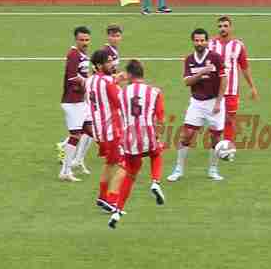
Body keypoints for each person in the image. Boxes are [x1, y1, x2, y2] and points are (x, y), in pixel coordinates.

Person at [108, 59, 168, 228]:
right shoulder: (154, 92)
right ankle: (155, 182)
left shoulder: (122, 93)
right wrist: (157, 136)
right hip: (147, 133)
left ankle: (117, 212)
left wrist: (116, 80)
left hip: (128, 138)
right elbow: (160, 118)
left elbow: (108, 90)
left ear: (129, 75)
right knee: (156, 154)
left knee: (131, 174)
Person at [168, 29, 226, 183]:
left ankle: (213, 170)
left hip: (214, 102)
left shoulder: (216, 58)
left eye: (202, 40)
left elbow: (223, 81)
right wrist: (202, 72)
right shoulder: (189, 60)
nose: (199, 43)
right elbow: (187, 82)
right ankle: (178, 169)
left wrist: (219, 102)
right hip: (197, 102)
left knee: (215, 137)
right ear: (193, 41)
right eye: (197, 40)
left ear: (207, 41)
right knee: (186, 135)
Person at [85, 47, 128, 212]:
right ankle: (112, 199)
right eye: (108, 62)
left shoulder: (90, 80)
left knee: (110, 163)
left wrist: (116, 80)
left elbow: (103, 85)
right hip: (112, 129)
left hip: (98, 130)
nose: (112, 64)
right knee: (127, 163)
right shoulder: (108, 82)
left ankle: (102, 198)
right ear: (98, 65)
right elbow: (121, 103)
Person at [214, 15, 258, 150]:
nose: (223, 29)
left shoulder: (238, 46)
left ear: (230, 28)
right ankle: (215, 146)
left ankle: (227, 146)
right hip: (213, 90)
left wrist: (252, 87)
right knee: (214, 120)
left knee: (229, 119)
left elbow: (244, 66)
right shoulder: (211, 44)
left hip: (231, 89)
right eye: (220, 26)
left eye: (225, 26)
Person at [57, 26, 94, 182]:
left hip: (81, 101)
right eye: (82, 40)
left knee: (91, 130)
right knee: (76, 135)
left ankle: (75, 158)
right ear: (76, 39)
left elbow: (84, 74)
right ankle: (65, 171)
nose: (85, 42)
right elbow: (72, 77)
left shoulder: (82, 54)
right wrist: (88, 83)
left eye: (87, 39)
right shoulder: (73, 55)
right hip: (72, 102)